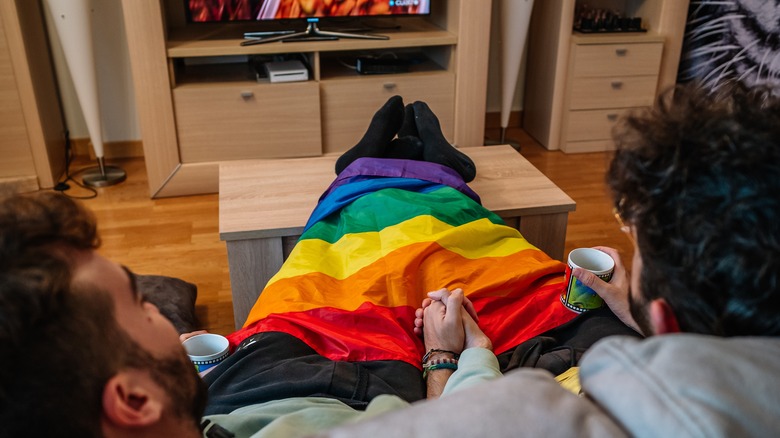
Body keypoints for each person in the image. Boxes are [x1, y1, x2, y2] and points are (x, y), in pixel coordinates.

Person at [1, 95, 599, 437]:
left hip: (246, 372)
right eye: (139, 308)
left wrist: (191, 368)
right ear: (131, 400)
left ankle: (365, 168)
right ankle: (424, 169)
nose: (160, 309)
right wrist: (447, 355)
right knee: (433, 241)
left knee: (325, 246)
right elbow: (463, 425)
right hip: (352, 378)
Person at [322, 83, 780, 436]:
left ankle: (364, 168)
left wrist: (446, 356)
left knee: (399, 221)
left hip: (495, 357)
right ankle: (426, 165)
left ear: (667, 321)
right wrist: (631, 310)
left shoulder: (551, 414)